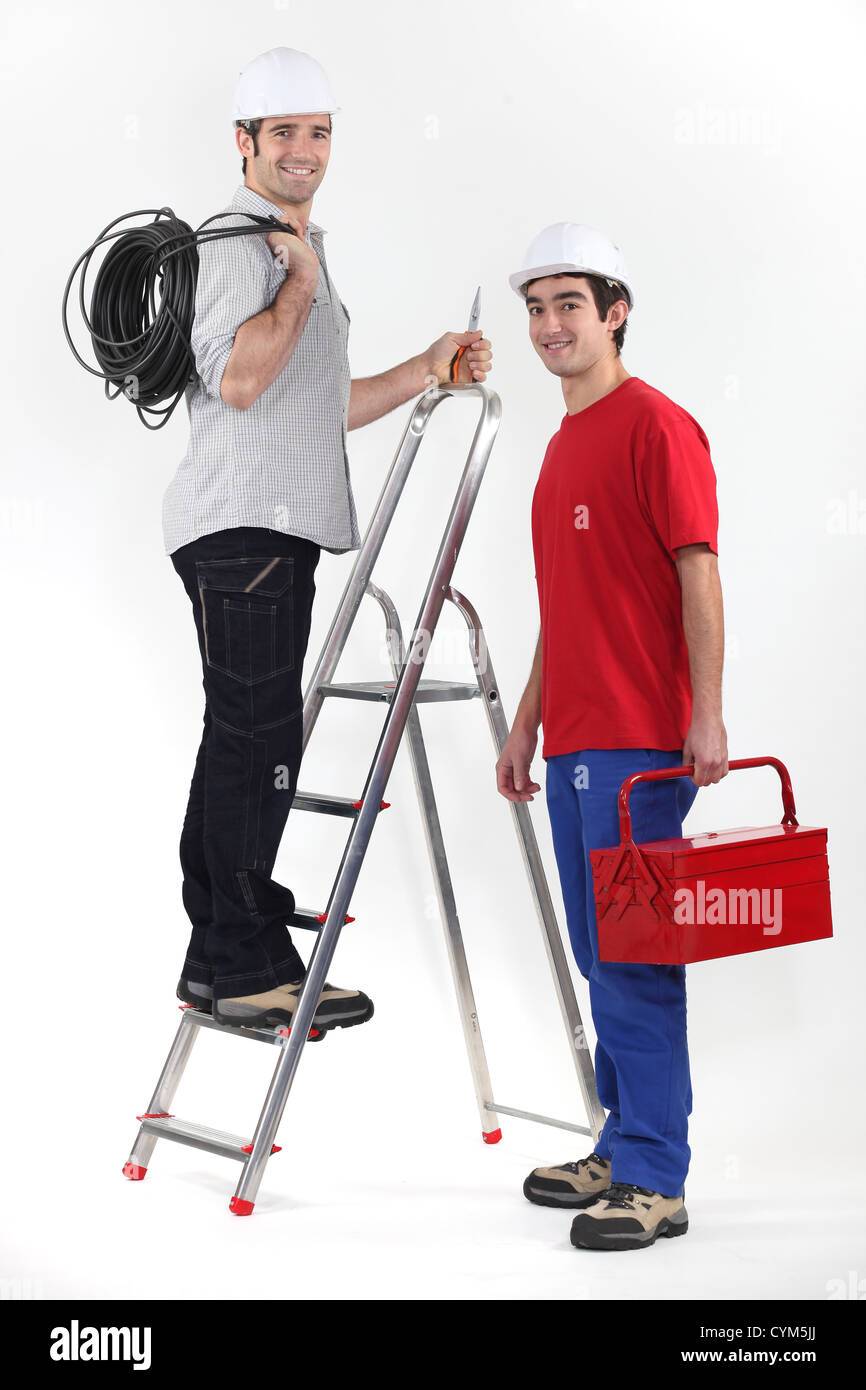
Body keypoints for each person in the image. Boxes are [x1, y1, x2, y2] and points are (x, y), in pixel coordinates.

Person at [162, 47, 492, 1033]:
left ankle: (218, 956)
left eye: (319, 133)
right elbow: (241, 382)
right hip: (245, 532)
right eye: (285, 134)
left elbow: (315, 407)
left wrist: (425, 370)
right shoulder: (236, 247)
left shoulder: (287, 246)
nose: (305, 151)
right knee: (255, 743)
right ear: (243, 143)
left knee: (244, 737)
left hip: (272, 529)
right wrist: (298, 280)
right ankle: (244, 961)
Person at [497, 222, 726, 1251]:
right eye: (536, 309)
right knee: (599, 958)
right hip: (573, 742)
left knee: (635, 961)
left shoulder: (654, 425)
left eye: (568, 306)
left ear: (614, 311)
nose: (550, 326)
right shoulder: (557, 447)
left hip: (641, 743)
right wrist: (525, 719)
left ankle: (653, 1179)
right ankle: (618, 1136)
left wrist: (705, 709)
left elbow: (696, 570)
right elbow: (566, 604)